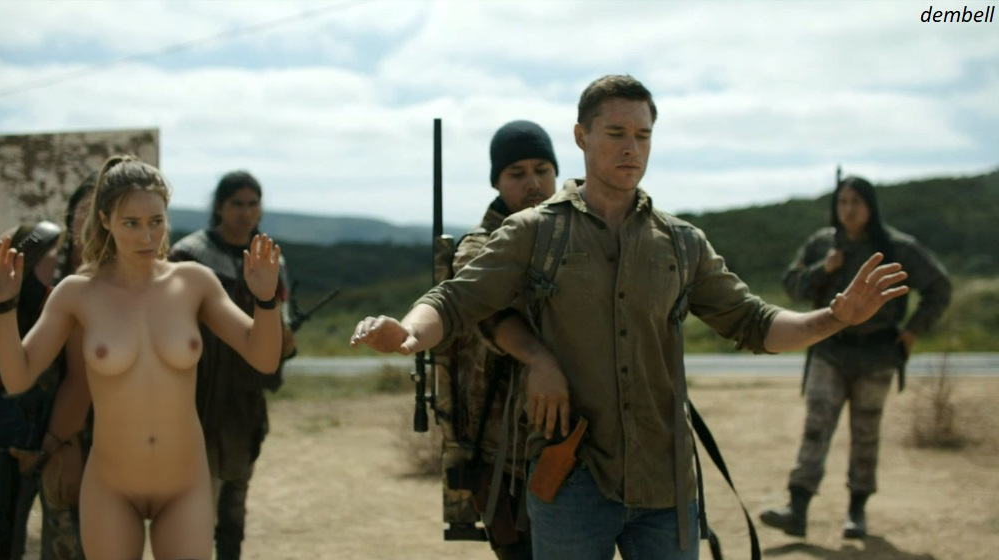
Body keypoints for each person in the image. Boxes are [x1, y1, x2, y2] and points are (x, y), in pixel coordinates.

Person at [350, 74, 911, 560]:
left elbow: (755, 323)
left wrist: (832, 317)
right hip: (570, 480)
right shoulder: (534, 232)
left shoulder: (682, 242)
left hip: (666, 483)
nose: (630, 148)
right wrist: (408, 333)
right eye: (615, 133)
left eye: (642, 136)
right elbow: (454, 300)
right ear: (582, 137)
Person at [0, 154, 284, 560]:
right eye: (132, 224)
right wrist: (2, 306)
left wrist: (265, 300)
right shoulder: (77, 293)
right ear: (105, 220)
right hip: (111, 487)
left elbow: (263, 359)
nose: (147, 237)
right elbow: (18, 377)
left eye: (156, 221)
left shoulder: (194, 283)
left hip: (184, 485)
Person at [760, 175, 952, 540]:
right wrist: (825, 268)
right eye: (842, 202)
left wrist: (912, 331)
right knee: (816, 428)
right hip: (829, 350)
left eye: (856, 202)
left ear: (870, 206)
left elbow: (939, 286)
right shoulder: (823, 244)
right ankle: (796, 509)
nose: (848, 210)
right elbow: (792, 286)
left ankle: (856, 513)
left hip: (877, 354)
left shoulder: (895, 247)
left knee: (866, 434)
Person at [0, 175, 96, 560]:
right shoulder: (31, 243)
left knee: (69, 541)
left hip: (71, 429)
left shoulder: (114, 276)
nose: (92, 221)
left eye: (104, 212)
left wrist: (55, 442)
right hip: (2, 420)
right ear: (72, 210)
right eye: (86, 210)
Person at [437, 120, 558, 559]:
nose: (533, 184)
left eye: (542, 170)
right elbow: (491, 314)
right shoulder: (480, 248)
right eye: (517, 173)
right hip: (505, 451)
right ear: (497, 182)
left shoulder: (576, 233)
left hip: (576, 440)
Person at [168, 170, 295, 560]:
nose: (246, 212)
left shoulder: (270, 260)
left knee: (235, 500)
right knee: (196, 503)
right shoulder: (188, 256)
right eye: (237, 203)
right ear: (220, 206)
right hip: (197, 394)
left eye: (253, 203)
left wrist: (284, 338)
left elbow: (281, 324)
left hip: (244, 397)